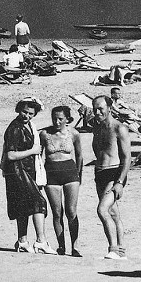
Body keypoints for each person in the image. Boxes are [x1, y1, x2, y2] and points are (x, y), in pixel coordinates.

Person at [1, 97, 56, 254]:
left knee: (22, 205)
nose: (27, 116)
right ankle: (41, 241)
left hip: (26, 170)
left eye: (31, 113)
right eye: (25, 112)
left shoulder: (28, 126)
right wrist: (32, 151)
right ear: (19, 110)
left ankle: (23, 241)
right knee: (38, 202)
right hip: (18, 171)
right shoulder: (15, 128)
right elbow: (10, 155)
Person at [39, 106, 83, 257]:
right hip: (51, 175)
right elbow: (38, 156)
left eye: (60, 119)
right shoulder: (44, 134)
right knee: (57, 212)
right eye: (54, 118)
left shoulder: (74, 134)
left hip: (70, 173)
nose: (57, 122)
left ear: (67, 119)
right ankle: (61, 246)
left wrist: (79, 175)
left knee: (71, 211)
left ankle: (75, 246)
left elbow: (79, 156)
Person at [91, 95, 131, 260]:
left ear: (109, 107)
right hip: (100, 173)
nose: (97, 112)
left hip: (114, 173)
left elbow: (127, 157)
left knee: (102, 210)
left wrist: (120, 182)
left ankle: (113, 249)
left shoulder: (119, 128)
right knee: (114, 213)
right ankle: (121, 251)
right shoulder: (98, 128)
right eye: (95, 109)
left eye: (100, 108)